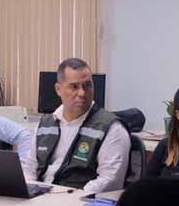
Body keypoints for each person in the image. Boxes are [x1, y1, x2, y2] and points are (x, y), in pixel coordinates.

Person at [22, 58, 131, 193]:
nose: (82, 93)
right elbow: (30, 167)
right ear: (58, 89)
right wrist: (29, 190)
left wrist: (72, 196)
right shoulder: (45, 123)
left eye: (87, 85)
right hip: (42, 198)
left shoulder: (111, 128)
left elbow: (110, 180)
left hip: (78, 202)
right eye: (74, 87)